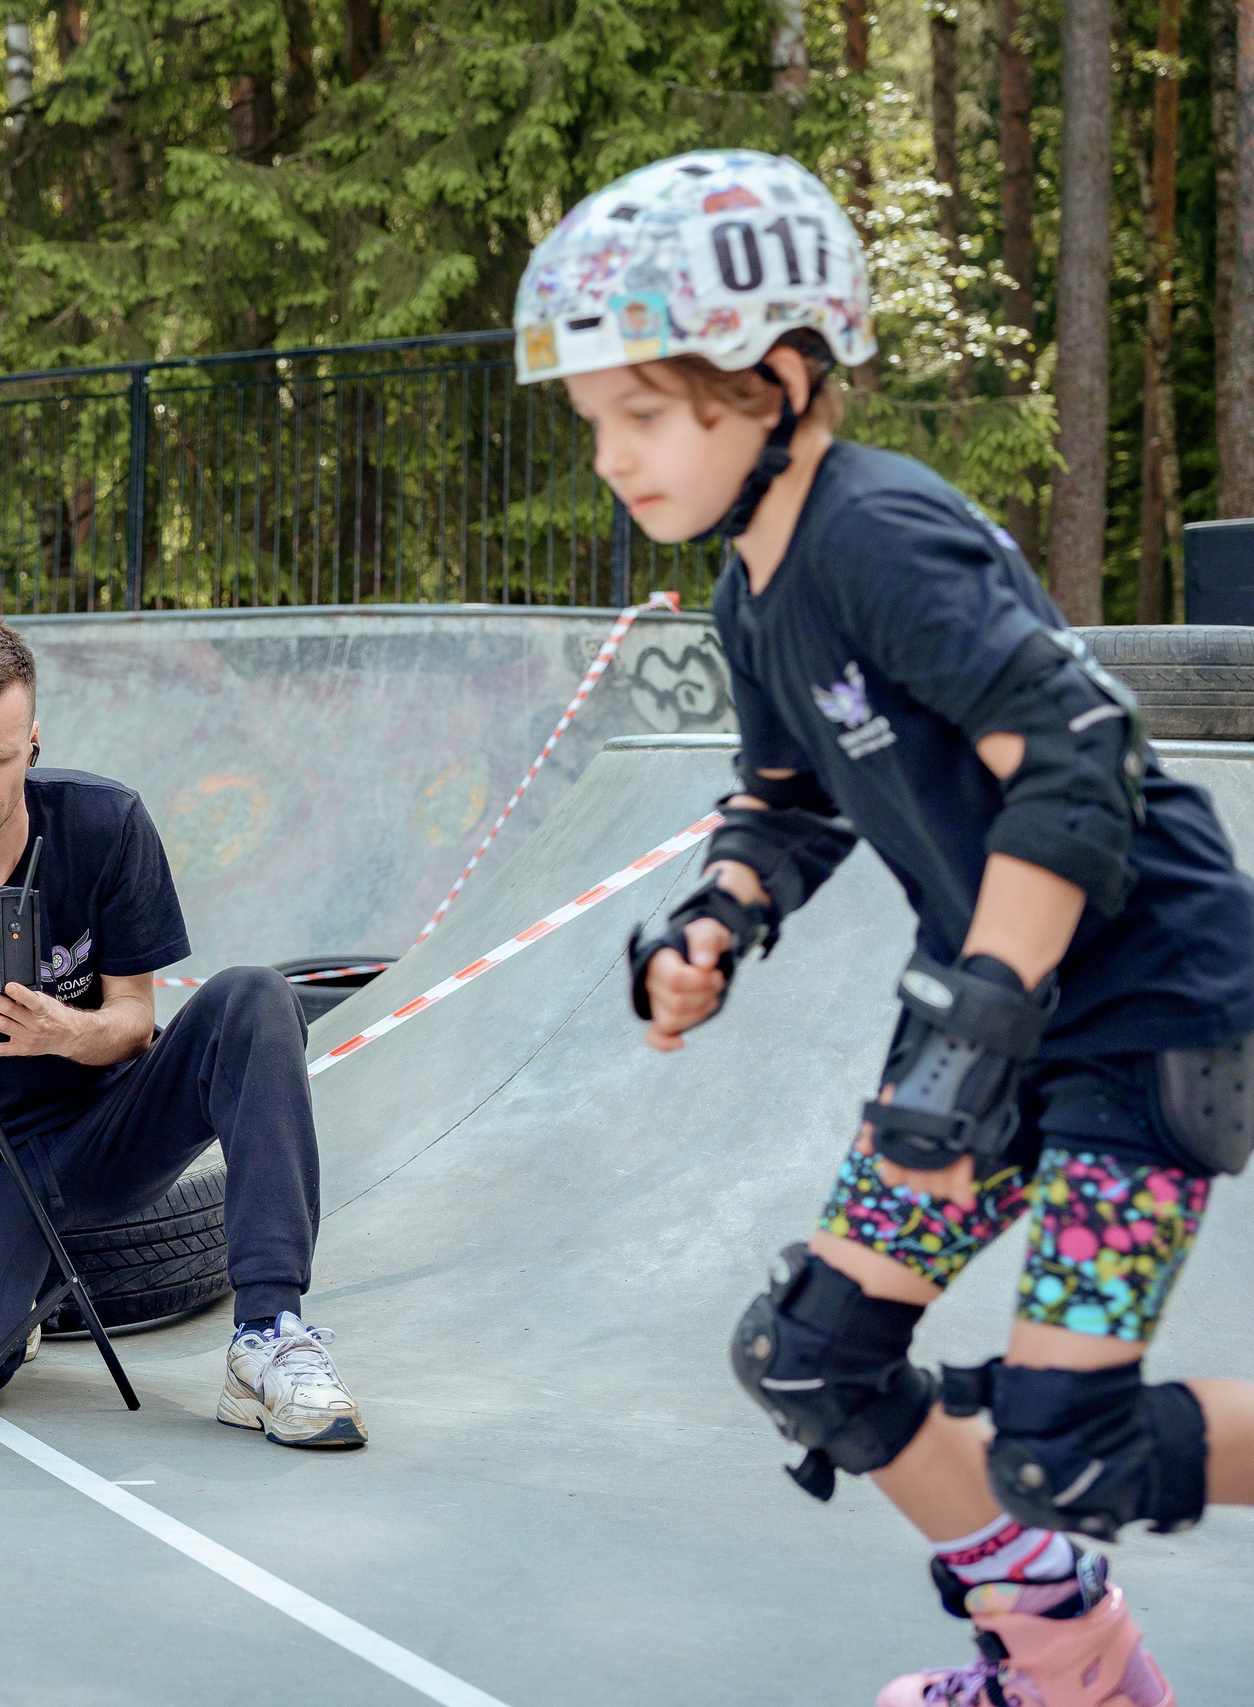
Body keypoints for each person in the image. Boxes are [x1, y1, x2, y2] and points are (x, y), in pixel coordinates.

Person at [521, 149, 1254, 1704]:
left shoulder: (878, 533)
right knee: (814, 1355)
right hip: (996, 1005)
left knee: (1075, 1444)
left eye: (644, 413)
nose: (613, 457)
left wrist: (981, 1022)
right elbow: (788, 800)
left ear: (779, 378)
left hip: (1145, 995)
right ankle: (1074, 1665)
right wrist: (713, 923)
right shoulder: (752, 591)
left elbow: (1073, 764)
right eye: (597, 422)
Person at [0, 609, 367, 1447]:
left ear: (32, 742)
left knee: (254, 997)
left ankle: (269, 1334)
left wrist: (62, 1030)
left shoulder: (103, 824)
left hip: (106, 1126)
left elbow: (135, 1022)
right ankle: (7, 1300)